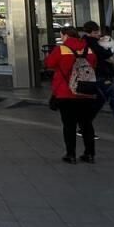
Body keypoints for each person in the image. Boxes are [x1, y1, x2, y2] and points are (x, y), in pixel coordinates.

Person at [45, 26, 99, 164]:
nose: (62, 38)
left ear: (65, 36)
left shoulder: (61, 49)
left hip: (66, 93)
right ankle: (90, 153)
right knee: (86, 125)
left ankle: (71, 154)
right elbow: (93, 64)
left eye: (62, 36)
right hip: (86, 92)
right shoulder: (88, 49)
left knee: (69, 125)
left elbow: (49, 63)